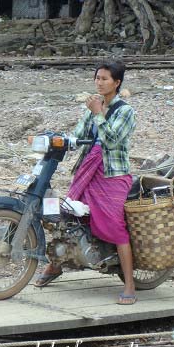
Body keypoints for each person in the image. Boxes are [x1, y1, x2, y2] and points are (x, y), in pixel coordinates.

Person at [33, 61, 138, 305]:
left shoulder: (125, 111)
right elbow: (79, 136)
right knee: (68, 215)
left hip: (112, 175)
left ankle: (130, 285)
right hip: (87, 171)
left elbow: (111, 140)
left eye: (104, 79)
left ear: (117, 83)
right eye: (97, 78)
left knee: (114, 225)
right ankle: (56, 265)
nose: (99, 82)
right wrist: (57, 140)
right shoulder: (92, 107)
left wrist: (98, 113)